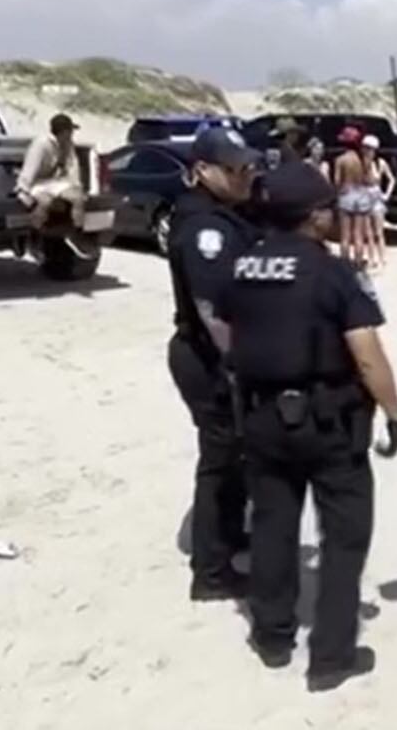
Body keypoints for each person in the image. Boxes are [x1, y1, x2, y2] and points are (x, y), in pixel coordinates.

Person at [218, 162, 397, 689]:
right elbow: (366, 353)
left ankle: (274, 636)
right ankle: (332, 654)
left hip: (261, 414)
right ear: (312, 216)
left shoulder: (242, 265)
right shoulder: (335, 274)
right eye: (327, 208)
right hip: (329, 419)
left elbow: (227, 329)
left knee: (274, 525)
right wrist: (393, 412)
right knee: (344, 536)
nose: (333, 215)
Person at [164, 126, 261, 602]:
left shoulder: (226, 214)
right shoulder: (205, 228)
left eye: (247, 165)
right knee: (220, 459)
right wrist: (241, 364)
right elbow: (213, 311)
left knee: (236, 453)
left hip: (217, 354)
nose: (246, 175)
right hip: (209, 358)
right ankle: (212, 571)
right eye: (234, 168)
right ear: (202, 171)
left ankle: (228, 535)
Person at [16, 113, 90, 237]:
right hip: (37, 181)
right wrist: (23, 190)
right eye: (70, 131)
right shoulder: (42, 144)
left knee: (78, 198)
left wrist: (77, 185)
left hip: (53, 181)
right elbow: (30, 167)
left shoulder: (67, 144)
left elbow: (72, 165)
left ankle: (78, 232)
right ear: (63, 132)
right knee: (45, 202)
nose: (72, 134)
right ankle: (34, 230)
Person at [331, 126, 378, 267]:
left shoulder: (340, 160)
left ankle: (345, 264)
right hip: (361, 195)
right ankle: (358, 263)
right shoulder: (363, 160)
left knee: (345, 236)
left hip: (346, 194)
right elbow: (369, 180)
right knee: (358, 235)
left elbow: (337, 181)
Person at [365, 135, 395, 270]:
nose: (367, 151)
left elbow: (391, 179)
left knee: (379, 232)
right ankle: (371, 258)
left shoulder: (380, 163)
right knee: (368, 232)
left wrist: (386, 194)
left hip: (377, 197)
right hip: (364, 198)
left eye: (370, 149)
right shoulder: (361, 163)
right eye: (366, 148)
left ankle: (383, 257)